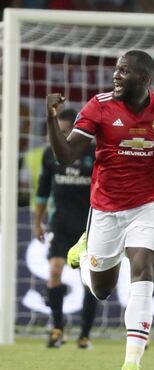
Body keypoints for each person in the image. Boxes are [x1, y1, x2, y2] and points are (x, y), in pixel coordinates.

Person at [46, 50, 154, 370]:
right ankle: (87, 248)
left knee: (143, 268)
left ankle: (131, 366)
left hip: (149, 205)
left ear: (144, 79)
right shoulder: (99, 106)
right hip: (105, 209)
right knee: (102, 290)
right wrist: (51, 119)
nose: (116, 76)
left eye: (124, 71)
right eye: (116, 70)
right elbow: (66, 156)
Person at [33, 108, 98, 349]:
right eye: (56, 132)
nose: (59, 136)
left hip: (88, 226)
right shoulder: (51, 155)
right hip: (59, 223)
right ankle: (57, 328)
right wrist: (37, 221)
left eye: (63, 131)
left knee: (89, 280)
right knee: (54, 271)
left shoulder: (94, 154)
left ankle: (85, 334)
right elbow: (42, 191)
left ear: (76, 130)